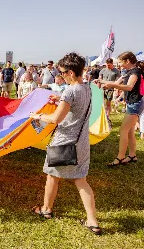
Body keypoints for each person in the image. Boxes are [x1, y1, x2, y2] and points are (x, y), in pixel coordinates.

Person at [30, 52, 102, 236]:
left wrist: (37, 116)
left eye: (61, 73)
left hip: (64, 142)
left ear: (70, 72)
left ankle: (46, 209)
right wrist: (60, 100)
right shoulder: (88, 88)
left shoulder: (70, 91)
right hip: (82, 142)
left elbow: (55, 118)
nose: (59, 76)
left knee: (52, 175)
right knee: (81, 180)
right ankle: (92, 220)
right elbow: (76, 107)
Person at [96, 52, 144, 166]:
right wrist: (102, 81)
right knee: (130, 131)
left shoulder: (135, 72)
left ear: (127, 61)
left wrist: (112, 86)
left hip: (134, 104)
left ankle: (120, 157)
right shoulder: (129, 72)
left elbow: (129, 87)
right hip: (132, 103)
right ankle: (132, 155)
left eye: (121, 62)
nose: (120, 64)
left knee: (123, 130)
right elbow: (117, 83)